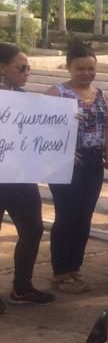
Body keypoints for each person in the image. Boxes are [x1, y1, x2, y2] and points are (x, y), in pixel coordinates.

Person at [45, 41, 108, 294]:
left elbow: (105, 124)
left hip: (93, 163)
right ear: (69, 67)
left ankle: (75, 268)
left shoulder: (101, 94)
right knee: (66, 216)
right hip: (66, 163)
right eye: (80, 68)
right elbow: (43, 126)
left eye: (90, 68)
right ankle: (60, 273)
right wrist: (62, 150)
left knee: (84, 217)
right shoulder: (57, 93)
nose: (86, 73)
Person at [0, 43, 54, 309]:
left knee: (33, 229)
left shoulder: (25, 100)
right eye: (22, 67)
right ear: (2, 68)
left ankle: (22, 288)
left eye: (29, 67)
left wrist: (63, 135)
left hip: (20, 176)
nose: (27, 72)